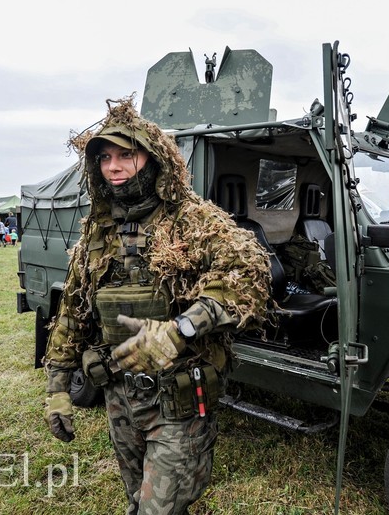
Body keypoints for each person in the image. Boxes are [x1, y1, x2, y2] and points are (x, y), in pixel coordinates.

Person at [42, 97, 271, 515]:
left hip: (178, 397)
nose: (113, 167)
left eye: (126, 155)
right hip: (119, 396)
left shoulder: (193, 220)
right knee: (137, 498)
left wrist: (181, 327)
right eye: (105, 157)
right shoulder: (98, 231)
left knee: (158, 508)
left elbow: (248, 276)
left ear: (153, 158)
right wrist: (57, 386)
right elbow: (73, 311)